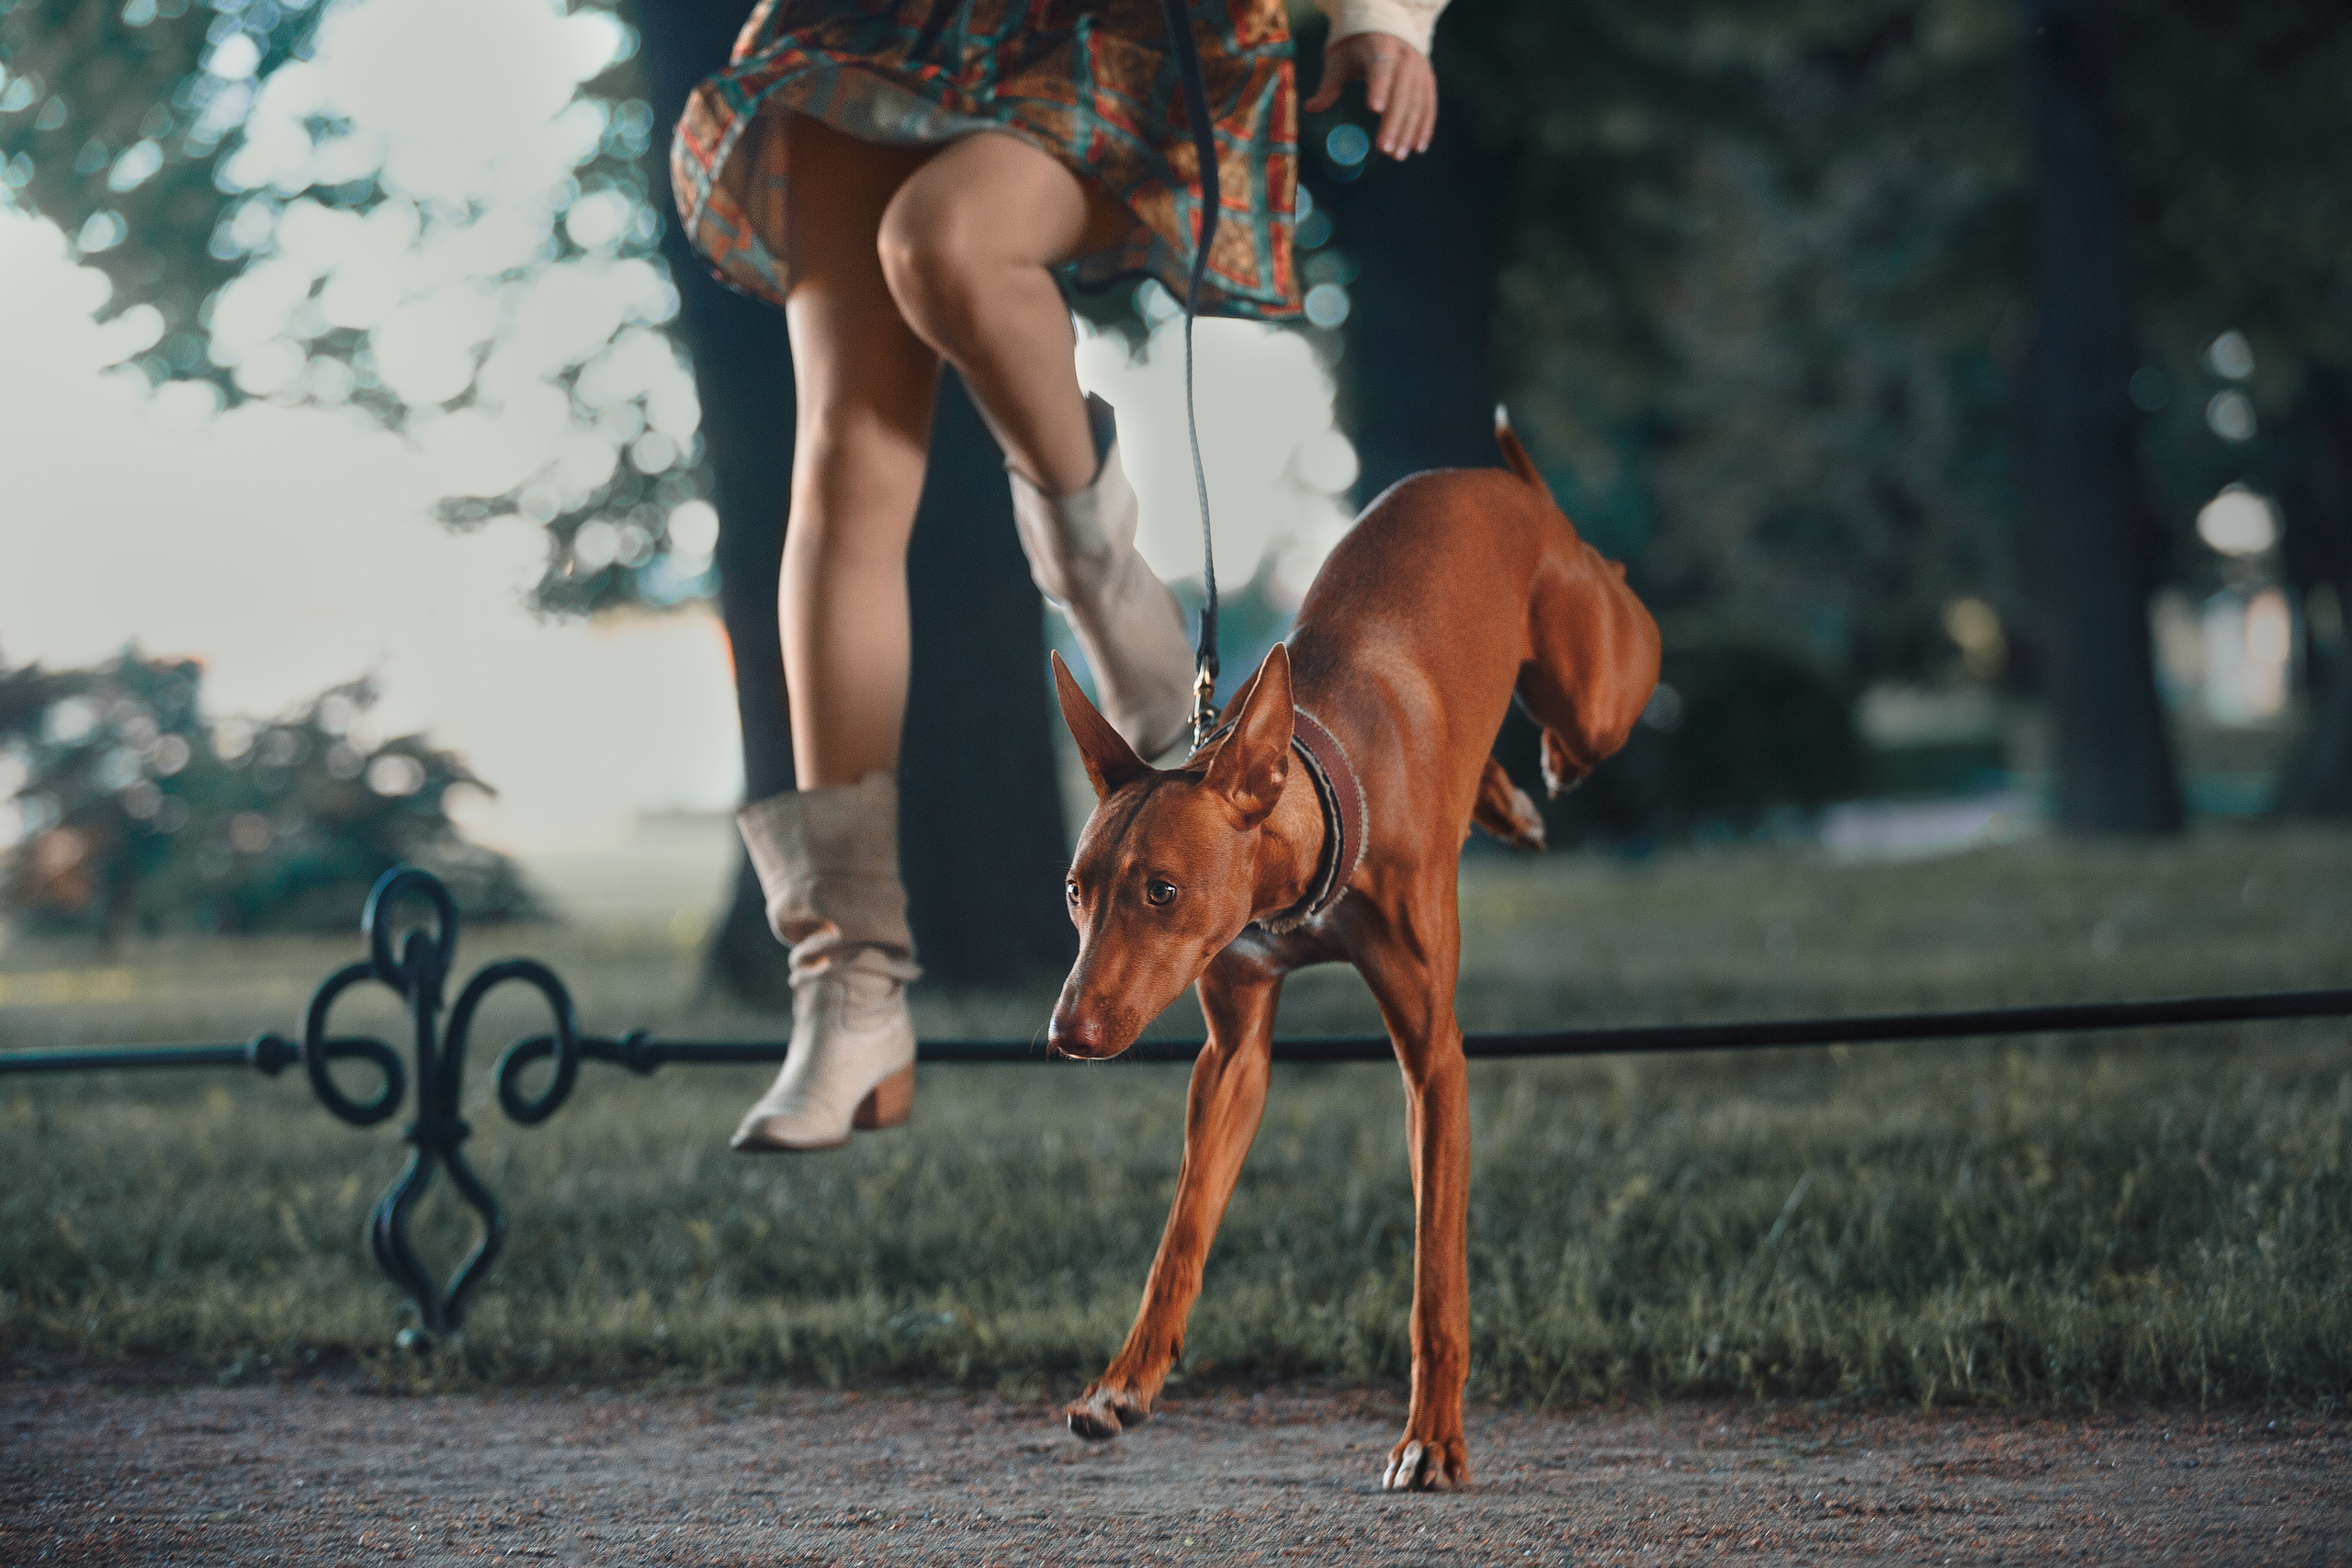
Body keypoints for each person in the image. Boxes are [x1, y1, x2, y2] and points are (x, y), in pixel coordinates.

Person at [670, 0, 1447, 1151]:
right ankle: (846, 991)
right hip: (867, 20)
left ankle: (1093, 564)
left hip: (1096, 30)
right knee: (843, 456)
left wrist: (1382, 15)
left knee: (940, 242)